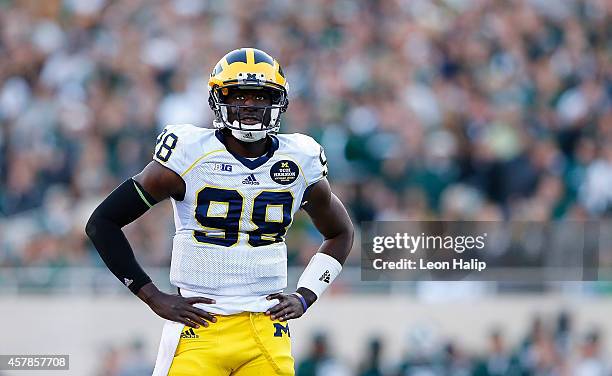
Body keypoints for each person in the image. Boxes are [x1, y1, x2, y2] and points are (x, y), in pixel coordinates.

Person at [85, 48, 354, 376]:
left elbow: (341, 233)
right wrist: (151, 295)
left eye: (261, 97)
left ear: (279, 102)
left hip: (266, 326)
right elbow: (102, 223)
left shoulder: (300, 159)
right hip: (198, 326)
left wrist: (306, 294)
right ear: (217, 99)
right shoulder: (188, 154)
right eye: (239, 96)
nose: (250, 106)